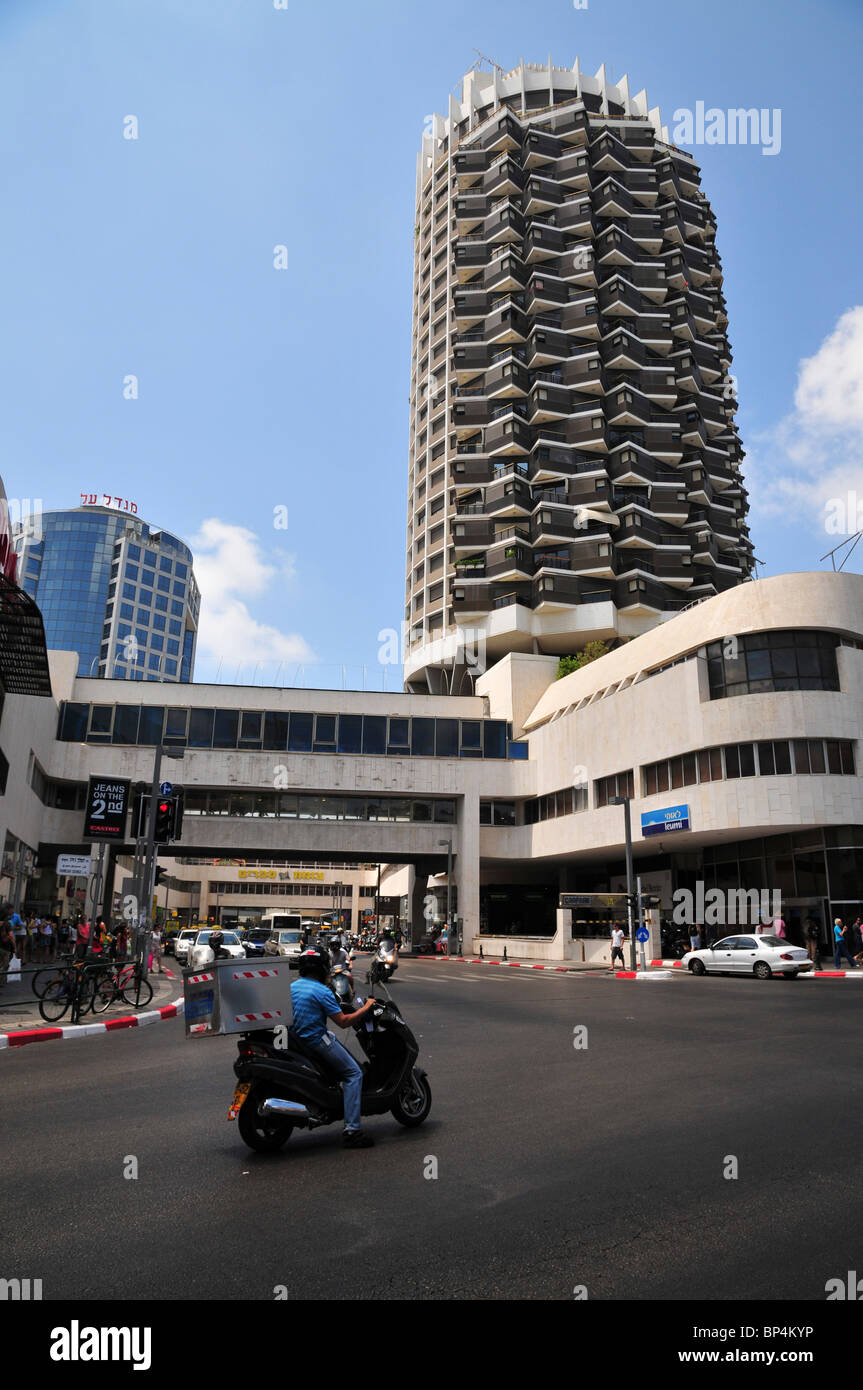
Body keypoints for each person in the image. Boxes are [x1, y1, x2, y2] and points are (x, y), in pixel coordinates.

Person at [290, 947, 377, 1149]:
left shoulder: (293, 987)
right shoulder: (322, 991)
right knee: (354, 1073)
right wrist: (366, 1008)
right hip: (315, 1041)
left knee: (330, 1037)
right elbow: (344, 1022)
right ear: (322, 968)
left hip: (298, 1040)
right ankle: (353, 1130)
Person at [0, 911, 16, 990]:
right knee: (5, 965)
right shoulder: (7, 924)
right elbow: (11, 936)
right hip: (5, 947)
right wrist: (14, 947)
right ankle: (1, 981)